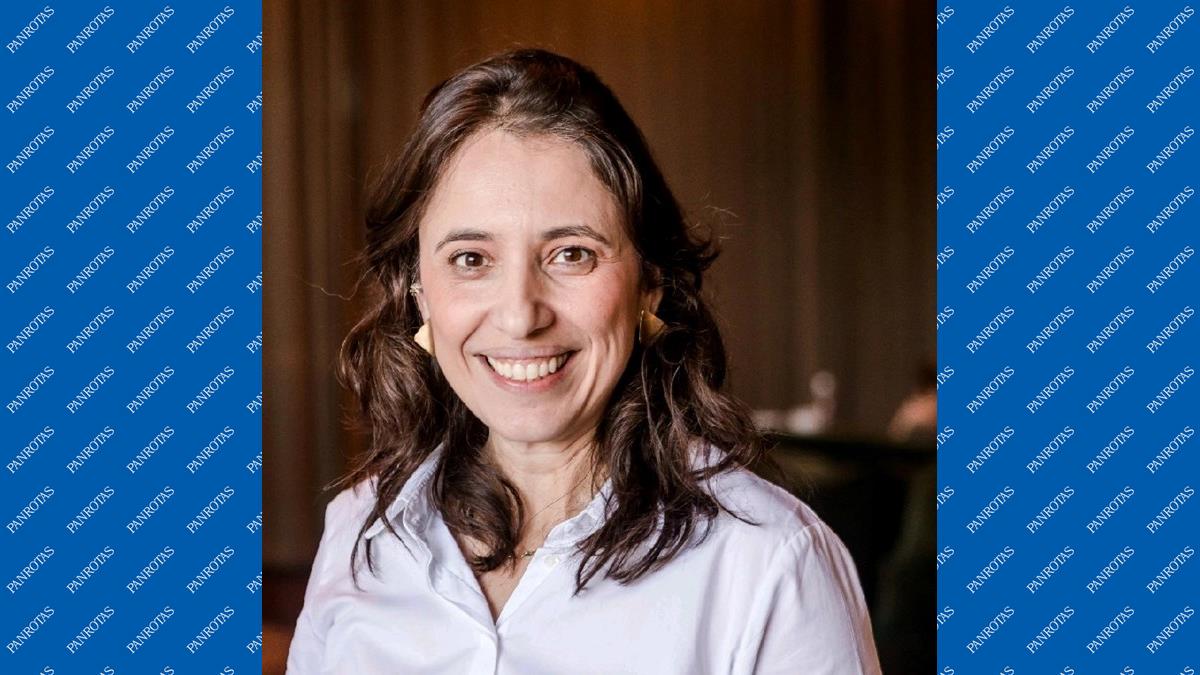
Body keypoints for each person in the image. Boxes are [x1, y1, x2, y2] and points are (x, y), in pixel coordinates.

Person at [286, 48, 881, 674]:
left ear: (649, 284)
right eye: (471, 259)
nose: (520, 316)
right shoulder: (359, 530)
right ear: (419, 293)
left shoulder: (772, 562)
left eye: (571, 254)